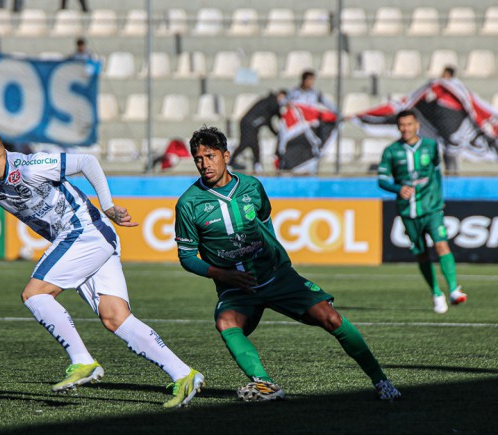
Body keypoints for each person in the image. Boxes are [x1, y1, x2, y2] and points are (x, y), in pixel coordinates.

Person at [0, 123, 204, 408]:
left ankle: (82, 361)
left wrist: (108, 205)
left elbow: (87, 161)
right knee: (115, 317)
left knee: (34, 294)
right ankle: (184, 374)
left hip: (84, 231)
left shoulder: (30, 166)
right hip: (91, 240)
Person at [174, 126, 401, 402]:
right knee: (225, 322)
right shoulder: (188, 203)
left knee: (330, 317)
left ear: (226, 155)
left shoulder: (251, 186)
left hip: (276, 275)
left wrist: (278, 260)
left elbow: (265, 220)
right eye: (198, 159)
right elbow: (186, 256)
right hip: (236, 287)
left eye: (210, 156)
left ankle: (381, 380)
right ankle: (266, 384)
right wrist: (223, 275)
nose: (204, 164)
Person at [377, 110, 467, 314]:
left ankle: (453, 289)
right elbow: (382, 180)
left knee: (442, 245)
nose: (405, 129)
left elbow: (436, 173)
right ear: (398, 127)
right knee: (421, 254)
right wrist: (398, 188)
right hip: (408, 212)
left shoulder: (431, 146)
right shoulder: (391, 151)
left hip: (432, 208)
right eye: (401, 125)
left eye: (409, 124)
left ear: (417, 125)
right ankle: (436, 292)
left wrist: (438, 198)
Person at [230, 90, 286, 173]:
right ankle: (232, 163)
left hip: (252, 125)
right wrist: (276, 133)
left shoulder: (271, 104)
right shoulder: (271, 103)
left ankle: (255, 163)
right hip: (249, 124)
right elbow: (269, 120)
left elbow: (272, 118)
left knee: (250, 144)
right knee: (247, 144)